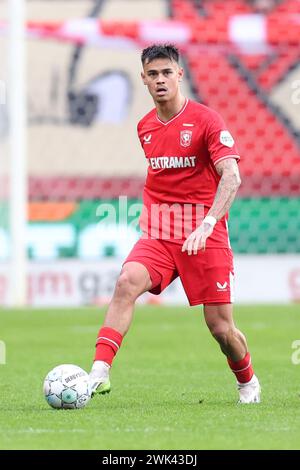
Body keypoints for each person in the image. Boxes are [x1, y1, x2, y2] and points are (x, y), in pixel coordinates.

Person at [89, 44, 260, 404]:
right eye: (153, 74)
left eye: (167, 72)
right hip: (161, 231)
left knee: (220, 328)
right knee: (126, 282)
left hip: (205, 234)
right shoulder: (145, 127)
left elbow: (232, 175)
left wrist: (209, 222)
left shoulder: (207, 121)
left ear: (179, 74)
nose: (160, 80)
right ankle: (98, 373)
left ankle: (247, 381)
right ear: (144, 80)